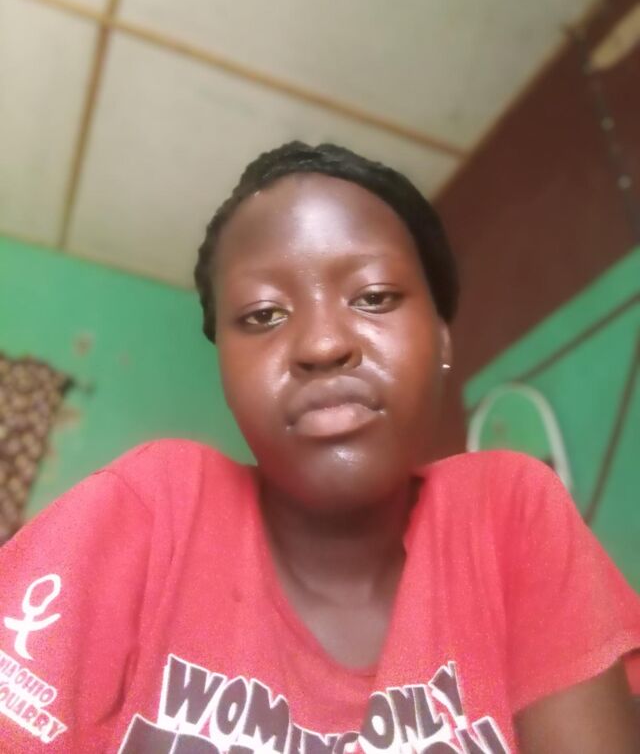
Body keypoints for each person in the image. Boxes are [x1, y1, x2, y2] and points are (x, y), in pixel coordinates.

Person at [0, 142, 639, 754]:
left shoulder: (508, 514)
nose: (322, 344)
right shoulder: (153, 508)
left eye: (374, 297)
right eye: (263, 314)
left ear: (442, 340)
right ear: (225, 368)